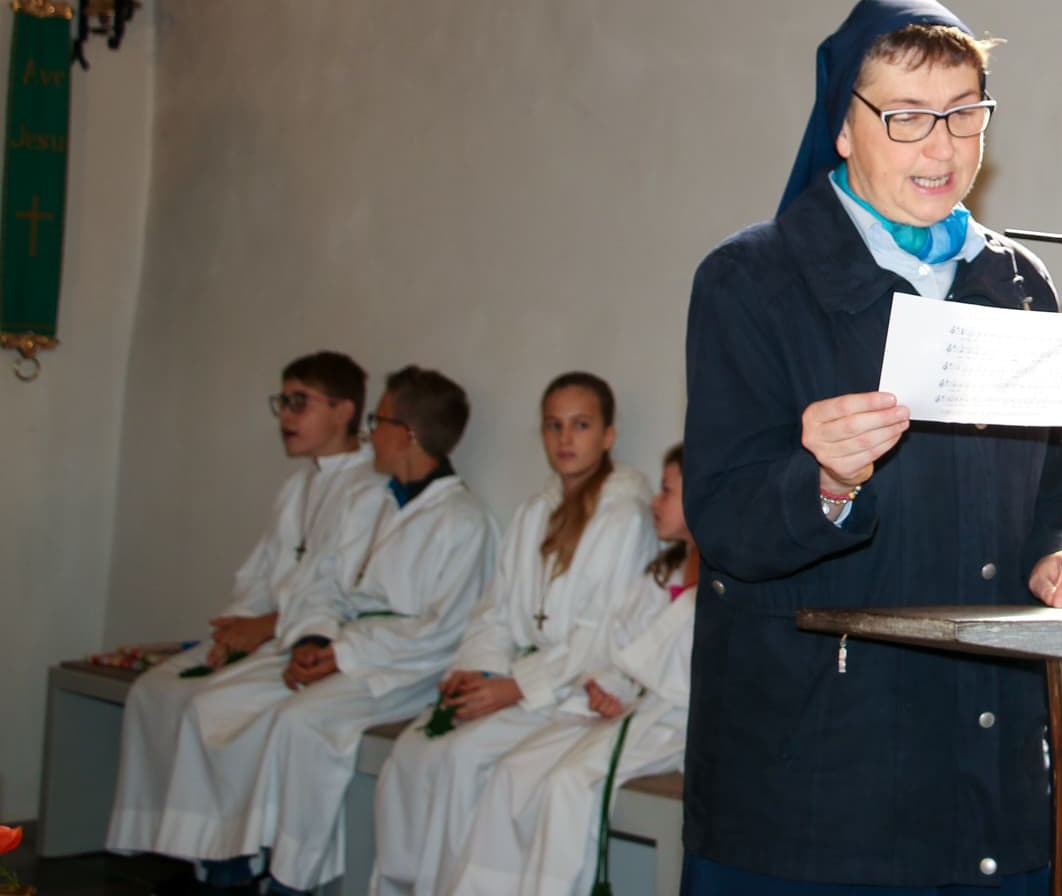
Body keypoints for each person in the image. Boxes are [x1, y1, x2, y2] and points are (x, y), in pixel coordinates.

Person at [681, 0, 1062, 895]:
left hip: (991, 768)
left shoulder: (1017, 283)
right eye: (907, 116)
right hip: (819, 783)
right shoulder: (752, 280)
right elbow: (724, 524)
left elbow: (1050, 491)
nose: (943, 146)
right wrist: (825, 480)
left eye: (965, 113)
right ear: (843, 128)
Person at [150, 365, 497, 894]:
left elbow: (442, 631)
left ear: (408, 434)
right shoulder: (368, 501)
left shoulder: (463, 521)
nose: (369, 433)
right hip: (337, 645)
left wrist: (344, 654)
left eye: (378, 421)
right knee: (213, 705)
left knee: (301, 723)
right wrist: (313, 639)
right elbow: (321, 583)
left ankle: (293, 877)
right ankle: (224, 859)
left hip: (402, 668)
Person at [369, 371, 657, 896]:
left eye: (581, 425)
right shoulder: (534, 511)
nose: (565, 439)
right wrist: (477, 672)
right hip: (519, 679)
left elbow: (600, 635)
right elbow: (495, 609)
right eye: (553, 425)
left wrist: (515, 687)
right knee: (413, 752)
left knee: (459, 760)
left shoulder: (625, 518)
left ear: (608, 436)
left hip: (569, 690)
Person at [107, 351, 388, 858]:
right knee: (153, 693)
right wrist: (235, 626)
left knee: (209, 709)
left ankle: (229, 857)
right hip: (267, 631)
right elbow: (260, 571)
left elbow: (348, 593)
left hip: (312, 642)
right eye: (283, 402)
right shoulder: (298, 485)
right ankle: (174, 848)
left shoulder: (371, 488)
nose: (285, 417)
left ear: (344, 410)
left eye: (300, 402)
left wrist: (265, 628)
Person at [448, 442, 698, 896]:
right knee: (514, 770)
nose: (654, 501)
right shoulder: (662, 574)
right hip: (629, 708)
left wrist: (627, 689)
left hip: (675, 722)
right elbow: (618, 646)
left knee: (566, 784)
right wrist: (608, 687)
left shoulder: (722, 586)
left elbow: (681, 677)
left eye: (667, 490)